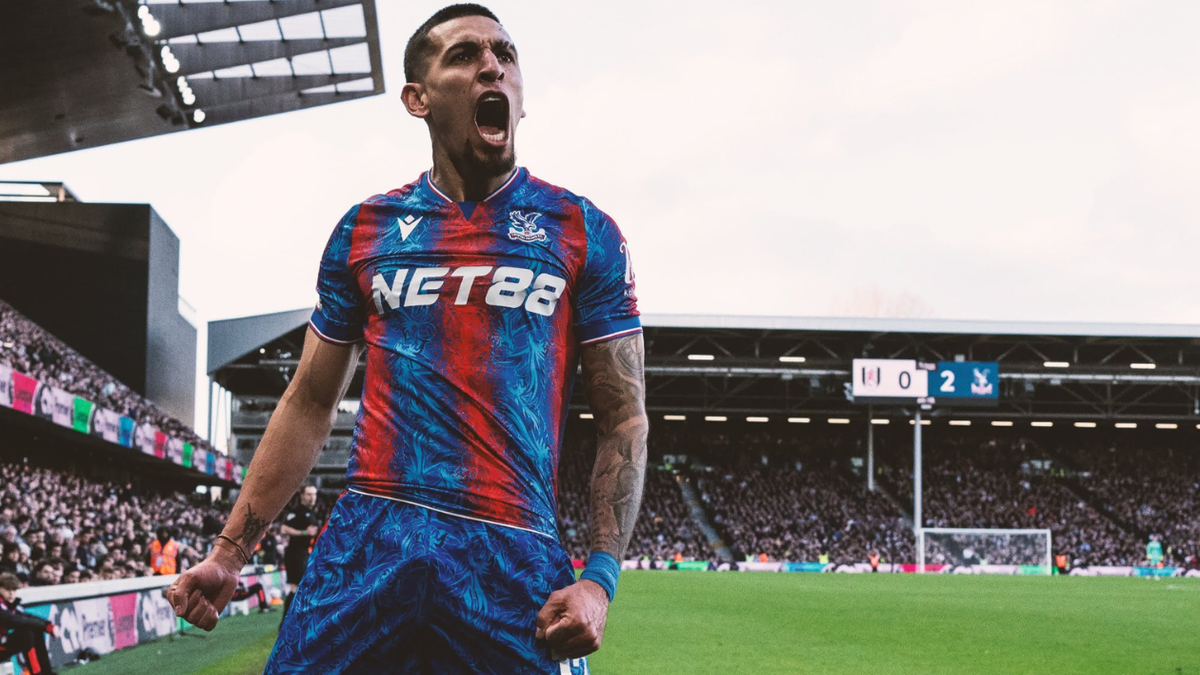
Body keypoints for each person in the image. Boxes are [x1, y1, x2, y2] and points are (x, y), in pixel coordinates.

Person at [167, 5, 648, 674]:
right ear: (417, 99)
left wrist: (598, 579)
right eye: (465, 55)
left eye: (506, 55)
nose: (493, 66)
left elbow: (623, 418)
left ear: (521, 96)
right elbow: (309, 402)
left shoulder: (583, 231)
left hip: (510, 552)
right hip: (372, 539)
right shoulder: (364, 229)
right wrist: (228, 553)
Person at [0, 573, 58, 675]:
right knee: (26, 634)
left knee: (35, 630)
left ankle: (46, 672)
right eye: (7, 589)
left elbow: (27, 617)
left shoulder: (11, 605)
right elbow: (13, 620)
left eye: (14, 590)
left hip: (3, 644)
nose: (11, 593)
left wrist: (49, 625)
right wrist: (46, 627)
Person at [278, 486, 318, 620]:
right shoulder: (296, 512)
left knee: (305, 586)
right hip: (296, 553)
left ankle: (297, 619)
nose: (312, 497)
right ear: (302, 496)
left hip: (305, 553)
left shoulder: (311, 512)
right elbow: (283, 529)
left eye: (314, 494)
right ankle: (286, 621)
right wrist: (304, 532)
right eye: (309, 494)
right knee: (297, 586)